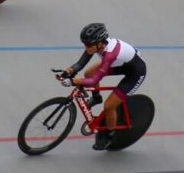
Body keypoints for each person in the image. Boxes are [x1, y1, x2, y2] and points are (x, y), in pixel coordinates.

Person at [60, 23, 146, 151]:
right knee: (88, 73)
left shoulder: (109, 54)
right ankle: (96, 97)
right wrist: (68, 72)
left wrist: (73, 82)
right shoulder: (95, 45)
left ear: (100, 43)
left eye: (88, 45)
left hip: (135, 73)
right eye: (84, 44)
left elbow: (95, 80)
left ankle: (110, 135)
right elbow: (80, 64)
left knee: (109, 106)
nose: (86, 47)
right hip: (120, 64)